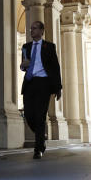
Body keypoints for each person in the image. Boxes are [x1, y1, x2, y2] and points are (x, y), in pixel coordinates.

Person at [20, 21, 62, 159]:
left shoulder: (49, 46)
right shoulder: (26, 46)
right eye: (30, 28)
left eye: (34, 28)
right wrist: (23, 66)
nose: (31, 30)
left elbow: (55, 67)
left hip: (44, 83)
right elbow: (23, 66)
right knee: (29, 115)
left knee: (40, 115)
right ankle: (40, 132)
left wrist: (58, 87)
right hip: (30, 83)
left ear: (42, 31)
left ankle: (38, 148)